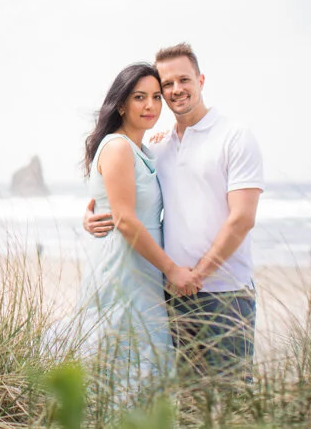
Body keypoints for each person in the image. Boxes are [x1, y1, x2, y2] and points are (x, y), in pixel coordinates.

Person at [84, 43, 264, 379]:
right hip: (171, 295)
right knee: (183, 402)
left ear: (201, 80)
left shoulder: (234, 137)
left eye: (184, 80)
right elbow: (125, 196)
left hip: (224, 293)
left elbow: (242, 219)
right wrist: (93, 214)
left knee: (229, 401)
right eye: (167, 85)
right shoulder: (158, 147)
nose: (175, 90)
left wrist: (197, 275)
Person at [75, 62, 203, 392]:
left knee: (140, 370)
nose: (150, 105)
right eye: (139, 97)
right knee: (126, 368)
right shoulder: (118, 147)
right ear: (121, 104)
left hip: (141, 272)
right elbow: (127, 221)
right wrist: (172, 270)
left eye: (157, 97)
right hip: (124, 270)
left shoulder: (142, 148)